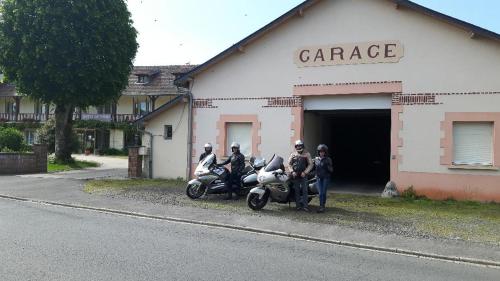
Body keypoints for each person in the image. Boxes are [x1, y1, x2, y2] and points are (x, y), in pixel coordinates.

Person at [288, 140, 313, 212]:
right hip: (295, 175)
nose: (299, 147)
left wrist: (305, 172)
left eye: (300, 145)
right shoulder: (293, 154)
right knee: (297, 191)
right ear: (296, 147)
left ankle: (305, 206)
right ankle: (298, 206)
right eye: (297, 146)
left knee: (305, 191)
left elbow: (310, 164)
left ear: (302, 146)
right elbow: (289, 164)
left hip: (303, 175)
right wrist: (292, 171)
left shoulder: (307, 154)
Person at [314, 144, 333, 213]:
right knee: (320, 193)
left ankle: (322, 206)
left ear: (325, 152)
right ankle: (321, 206)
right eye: (320, 151)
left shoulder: (328, 159)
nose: (321, 153)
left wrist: (327, 165)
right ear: (318, 152)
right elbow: (314, 168)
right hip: (319, 178)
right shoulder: (316, 159)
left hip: (326, 178)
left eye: (323, 152)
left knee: (323, 193)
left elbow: (331, 170)